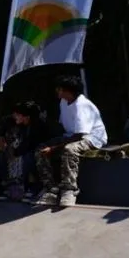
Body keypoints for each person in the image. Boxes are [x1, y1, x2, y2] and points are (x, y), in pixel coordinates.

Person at [34, 75, 107, 207]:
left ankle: (70, 189)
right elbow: (64, 127)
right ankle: (51, 189)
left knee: (69, 149)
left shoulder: (82, 105)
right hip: (71, 135)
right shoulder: (63, 102)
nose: (58, 91)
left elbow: (79, 135)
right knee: (40, 149)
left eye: (60, 89)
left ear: (69, 91)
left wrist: (54, 148)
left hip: (91, 137)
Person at [0, 101, 55, 202]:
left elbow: (30, 145)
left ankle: (34, 187)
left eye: (18, 115)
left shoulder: (37, 127)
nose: (15, 117)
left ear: (26, 117)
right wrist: (1, 136)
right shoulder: (22, 123)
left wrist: (14, 152)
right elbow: (6, 121)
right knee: (1, 156)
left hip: (38, 152)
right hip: (25, 150)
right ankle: (8, 186)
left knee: (28, 158)